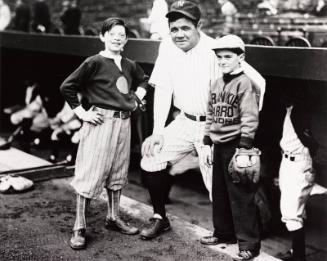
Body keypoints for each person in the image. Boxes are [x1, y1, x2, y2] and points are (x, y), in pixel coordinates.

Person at [140, 0, 265, 241]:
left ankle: (235, 236)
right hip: (185, 121)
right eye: (174, 28)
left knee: (217, 187)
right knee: (152, 155)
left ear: (200, 25)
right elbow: (164, 89)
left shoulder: (215, 48)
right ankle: (159, 218)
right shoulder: (167, 46)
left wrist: (239, 128)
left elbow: (258, 83)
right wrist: (157, 131)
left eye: (185, 28)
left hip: (214, 127)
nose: (179, 34)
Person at [60, 17, 149, 250]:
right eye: (112, 33)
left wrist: (138, 96)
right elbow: (67, 86)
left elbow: (143, 80)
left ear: (127, 39)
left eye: (122, 34)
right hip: (100, 121)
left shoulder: (129, 64)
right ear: (102, 37)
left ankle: (113, 217)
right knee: (91, 171)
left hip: (123, 123)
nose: (118, 37)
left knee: (118, 171)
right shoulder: (94, 62)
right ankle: (79, 226)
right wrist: (82, 113)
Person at [200, 34, 261, 261]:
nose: (223, 61)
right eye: (219, 57)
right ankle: (224, 233)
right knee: (220, 193)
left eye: (228, 56)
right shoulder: (216, 83)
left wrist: (245, 147)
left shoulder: (245, 83)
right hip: (218, 144)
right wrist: (206, 140)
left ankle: (249, 244)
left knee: (241, 196)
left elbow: (250, 117)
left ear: (240, 57)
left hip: (237, 146)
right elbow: (210, 114)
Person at [275, 84, 325, 261]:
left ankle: (299, 258)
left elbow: (313, 142)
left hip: (298, 163)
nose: (281, 98)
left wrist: (309, 160)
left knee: (291, 214)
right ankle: (297, 252)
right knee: (296, 211)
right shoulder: (291, 109)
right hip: (288, 163)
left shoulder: (300, 111)